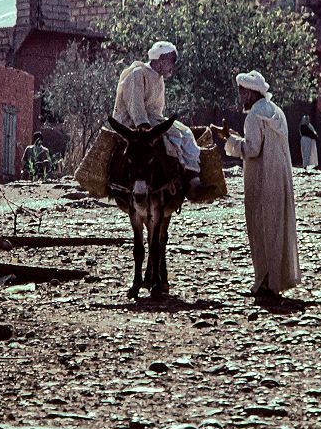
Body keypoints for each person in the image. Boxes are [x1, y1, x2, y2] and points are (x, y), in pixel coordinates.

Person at [214, 71, 300, 298]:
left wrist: (229, 140)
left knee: (261, 228)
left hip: (262, 180)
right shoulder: (276, 112)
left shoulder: (254, 115)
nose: (241, 95)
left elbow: (252, 149)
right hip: (280, 178)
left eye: (243, 91)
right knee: (277, 227)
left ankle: (264, 282)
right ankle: (274, 281)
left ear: (253, 92)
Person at [111, 40, 205, 199]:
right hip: (134, 122)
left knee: (186, 133)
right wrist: (145, 128)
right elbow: (135, 104)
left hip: (153, 119)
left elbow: (156, 110)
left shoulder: (158, 78)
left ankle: (193, 179)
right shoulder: (138, 73)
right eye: (171, 61)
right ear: (160, 59)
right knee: (172, 136)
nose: (172, 66)